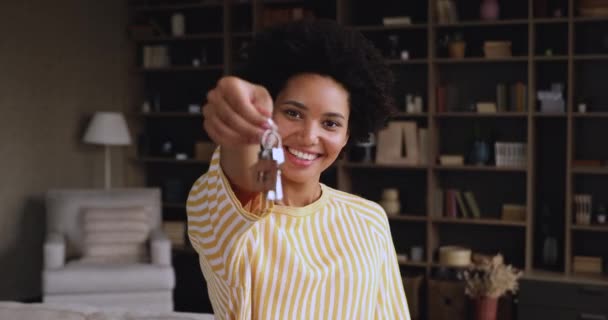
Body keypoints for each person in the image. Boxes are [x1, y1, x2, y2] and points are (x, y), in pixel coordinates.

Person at [186, 19, 410, 319]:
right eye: (292, 113)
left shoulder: (369, 219)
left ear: (347, 136)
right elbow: (250, 176)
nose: (308, 136)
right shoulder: (224, 211)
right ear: (267, 115)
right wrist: (240, 112)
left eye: (330, 123)